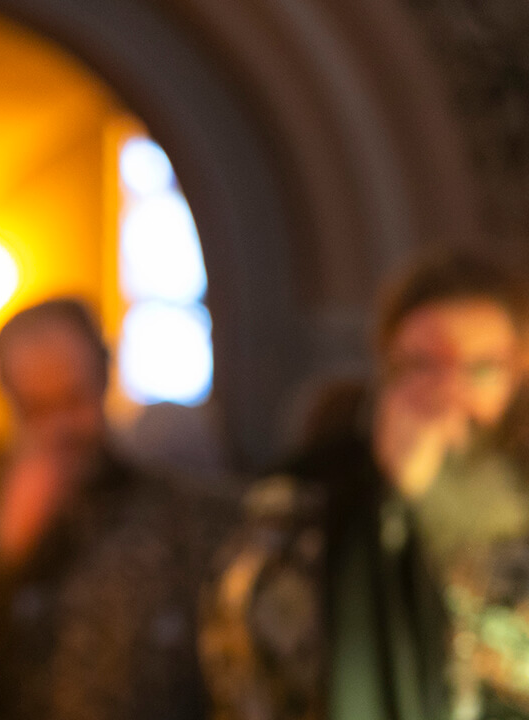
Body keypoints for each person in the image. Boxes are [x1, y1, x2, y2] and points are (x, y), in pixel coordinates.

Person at [200, 250, 529, 720]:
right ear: (387, 365)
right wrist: (388, 504)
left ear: (517, 377)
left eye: (481, 368)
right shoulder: (306, 493)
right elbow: (251, 647)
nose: (449, 392)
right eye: (424, 365)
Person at [0, 298, 211, 720]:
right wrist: (3, 558)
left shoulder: (171, 510)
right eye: (36, 409)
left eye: (73, 400)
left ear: (104, 377)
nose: (60, 429)